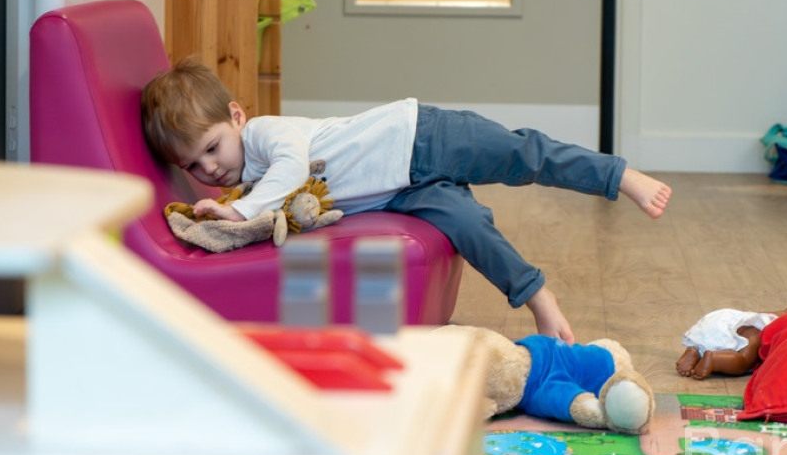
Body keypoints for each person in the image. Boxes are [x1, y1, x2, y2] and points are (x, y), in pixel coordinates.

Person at [141, 58, 672, 343]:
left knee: (523, 154)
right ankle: (539, 299)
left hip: (419, 135)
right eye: (192, 166)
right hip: (404, 192)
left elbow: (292, 170)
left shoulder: (264, 136)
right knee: (470, 226)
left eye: (212, 148)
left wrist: (239, 209)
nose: (208, 168)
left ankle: (619, 175)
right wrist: (224, 216)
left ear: (236, 116)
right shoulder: (250, 185)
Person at [675, 298, 787, 379]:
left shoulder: (770, 314)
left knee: (717, 340)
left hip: (726, 317)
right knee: (742, 361)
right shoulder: (781, 323)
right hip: (754, 331)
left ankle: (695, 350)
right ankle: (714, 359)